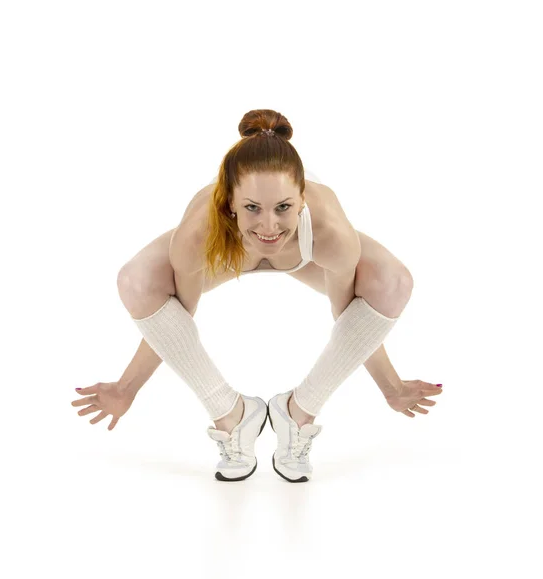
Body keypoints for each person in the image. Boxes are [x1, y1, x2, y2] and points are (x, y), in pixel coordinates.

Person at [71, 108, 443, 483]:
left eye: (283, 207)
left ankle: (297, 413)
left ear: (301, 199)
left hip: (303, 257)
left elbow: (348, 317)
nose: (269, 226)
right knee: (135, 280)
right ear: (230, 200)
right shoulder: (196, 236)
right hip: (227, 253)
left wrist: (390, 387)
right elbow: (177, 319)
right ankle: (233, 417)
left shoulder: (332, 234)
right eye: (252, 208)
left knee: (394, 282)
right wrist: (126, 387)